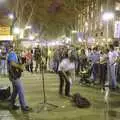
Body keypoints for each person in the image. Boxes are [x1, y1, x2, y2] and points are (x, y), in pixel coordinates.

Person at [7, 45, 32, 111]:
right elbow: (12, 64)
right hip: (14, 76)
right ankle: (24, 106)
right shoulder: (12, 54)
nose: (23, 50)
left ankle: (11, 105)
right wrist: (20, 66)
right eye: (22, 48)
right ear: (18, 48)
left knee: (15, 91)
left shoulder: (16, 55)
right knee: (21, 90)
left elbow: (19, 66)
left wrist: (27, 64)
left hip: (15, 75)